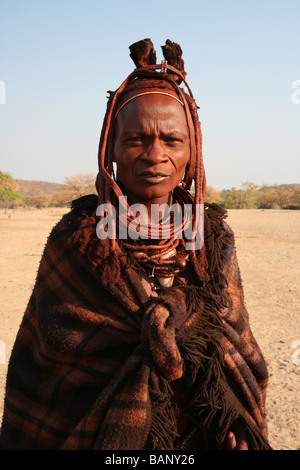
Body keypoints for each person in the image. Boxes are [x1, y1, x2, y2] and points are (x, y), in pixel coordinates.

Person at [0, 39, 271, 450]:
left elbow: (236, 349)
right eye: (136, 139)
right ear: (111, 147)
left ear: (191, 150)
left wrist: (230, 419)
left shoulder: (211, 238)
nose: (155, 155)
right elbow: (47, 369)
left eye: (172, 140)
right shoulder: (79, 239)